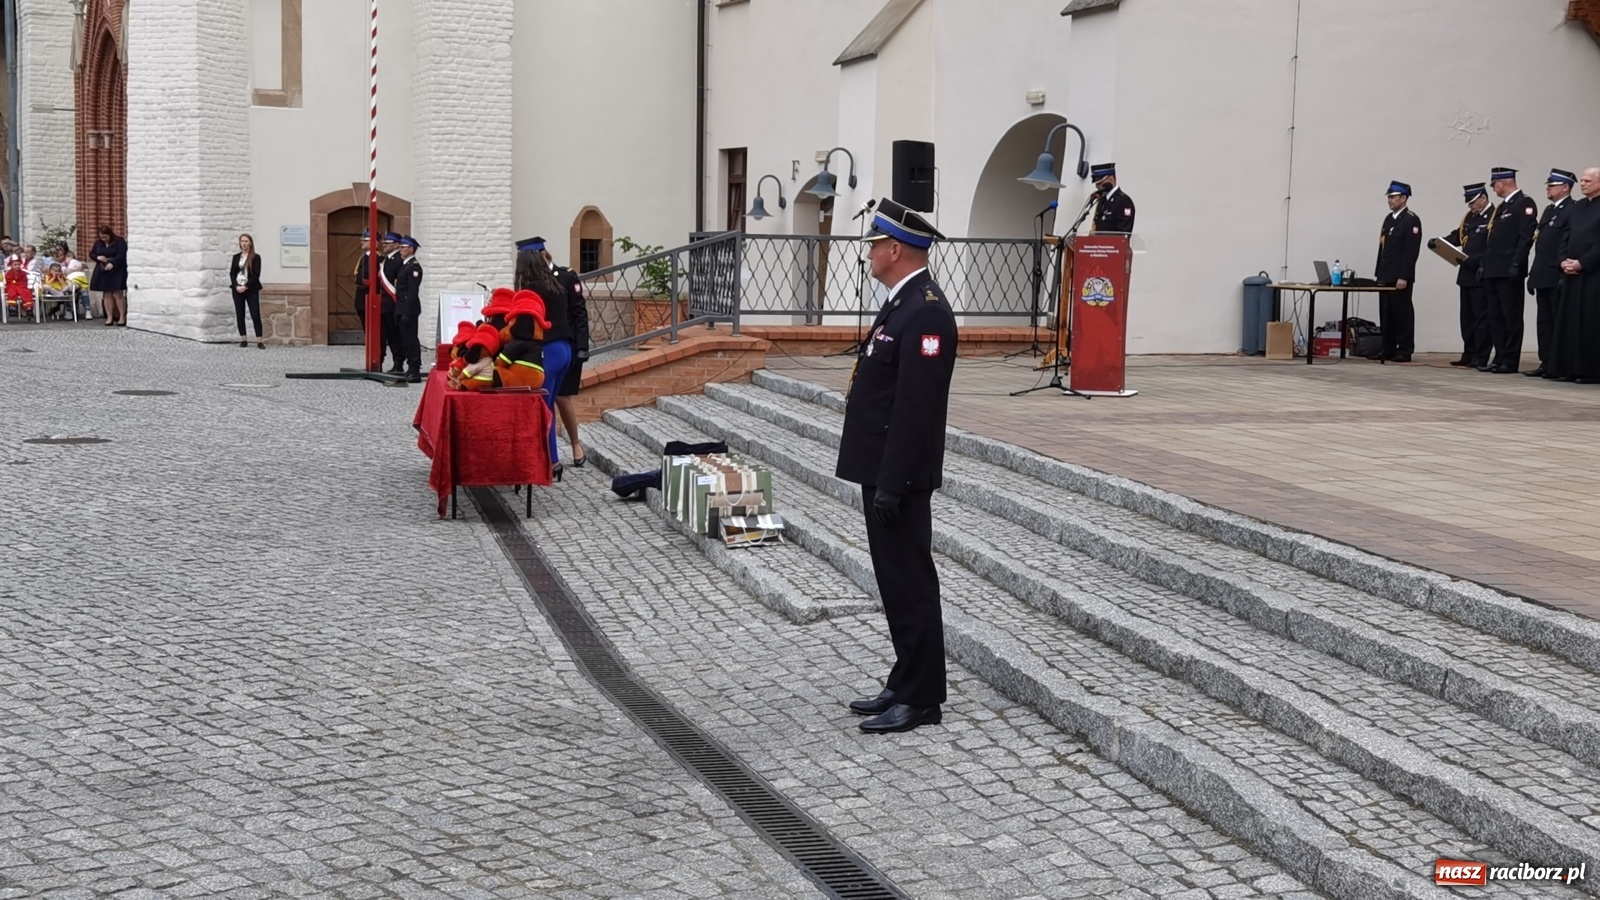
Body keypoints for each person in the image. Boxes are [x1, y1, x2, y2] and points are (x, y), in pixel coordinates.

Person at [834, 198, 958, 735]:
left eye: (873, 245)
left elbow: (915, 407)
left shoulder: (925, 310)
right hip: (883, 468)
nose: (868, 254)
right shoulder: (900, 302)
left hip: (899, 475)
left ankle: (923, 696)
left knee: (910, 581)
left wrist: (893, 482)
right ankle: (905, 676)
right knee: (894, 580)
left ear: (895, 249)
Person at [514, 237, 574, 474]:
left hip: (549, 351)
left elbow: (525, 328)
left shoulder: (532, 289)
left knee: (542, 408)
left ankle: (550, 462)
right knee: (548, 406)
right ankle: (551, 460)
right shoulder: (555, 284)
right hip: (564, 350)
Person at [1479, 167, 1538, 373]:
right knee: (1495, 316)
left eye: (1494, 185)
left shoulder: (1524, 204)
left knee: (1510, 316)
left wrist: (1517, 263)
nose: (1494, 190)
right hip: (1493, 270)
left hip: (1509, 270)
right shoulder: (1503, 207)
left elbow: (1525, 238)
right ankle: (1499, 357)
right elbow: (1492, 240)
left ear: (1502, 183)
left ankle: (1510, 360)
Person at [540, 240, 592, 467]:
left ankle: (575, 443)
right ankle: (551, 455)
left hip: (568, 345)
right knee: (550, 397)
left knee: (562, 396)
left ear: (544, 257)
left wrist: (582, 347)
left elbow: (580, 313)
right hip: (545, 347)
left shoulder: (566, 277)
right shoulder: (534, 281)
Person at [1550, 168, 1600, 383]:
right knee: (1570, 322)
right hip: (1571, 271)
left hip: (1593, 273)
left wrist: (1582, 263)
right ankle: (1569, 367)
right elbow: (1566, 235)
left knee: (1589, 322)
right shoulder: (1578, 206)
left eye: (1587, 180)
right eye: (1581, 180)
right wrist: (1563, 260)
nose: (1582, 184)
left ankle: (1590, 370)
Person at [1525, 169, 1576, 378]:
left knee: (1558, 322)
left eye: (1552, 185)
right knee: (1544, 322)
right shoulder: (1548, 210)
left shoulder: (1572, 210)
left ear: (1565, 187)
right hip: (1542, 275)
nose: (1548, 188)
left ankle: (1560, 364)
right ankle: (1546, 362)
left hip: (1556, 275)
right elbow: (1541, 244)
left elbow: (1566, 244)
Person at [1440, 184, 1494, 368]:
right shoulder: (1470, 218)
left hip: (1480, 273)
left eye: (1473, 202)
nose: (1471, 207)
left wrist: (1475, 260)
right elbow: (1459, 235)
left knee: (1481, 318)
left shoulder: (1493, 216)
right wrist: (1441, 242)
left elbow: (1493, 246)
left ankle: (1481, 355)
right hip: (1465, 274)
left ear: (1483, 198)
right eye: (1469, 204)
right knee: (1467, 317)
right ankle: (1469, 352)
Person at [1374, 180, 1423, 362]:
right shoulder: (1389, 219)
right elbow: (1383, 248)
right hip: (1386, 274)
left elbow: (1411, 251)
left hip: (1400, 276)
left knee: (1401, 313)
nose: (1390, 201)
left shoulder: (1410, 219)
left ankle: (1404, 349)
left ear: (1404, 198)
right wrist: (1379, 273)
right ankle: (1387, 348)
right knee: (1386, 314)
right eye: (1389, 197)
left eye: (1393, 197)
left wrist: (1404, 276)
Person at [393, 236, 424, 383]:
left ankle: (414, 369)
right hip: (402, 308)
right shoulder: (406, 265)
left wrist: (406, 311)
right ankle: (410, 368)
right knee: (405, 340)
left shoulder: (414, 267)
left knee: (411, 340)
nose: (400, 250)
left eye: (402, 248)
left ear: (411, 249)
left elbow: (412, 292)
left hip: (408, 309)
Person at [230, 233, 265, 349]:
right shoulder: (236, 257)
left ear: (250, 243)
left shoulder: (256, 257)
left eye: (246, 241)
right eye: (242, 241)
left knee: (255, 314)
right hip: (237, 289)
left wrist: (246, 286)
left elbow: (256, 275)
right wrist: (236, 286)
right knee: (240, 314)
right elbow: (232, 273)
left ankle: (259, 340)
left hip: (251, 289)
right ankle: (243, 339)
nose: (244, 243)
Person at [89, 225, 129, 326]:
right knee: (107, 293)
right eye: (102, 237)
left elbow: (122, 254)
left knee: (118, 293)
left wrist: (113, 262)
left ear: (110, 235)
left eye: (106, 237)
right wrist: (98, 257)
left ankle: (122, 317)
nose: (104, 239)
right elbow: (92, 254)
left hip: (117, 270)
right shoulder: (99, 243)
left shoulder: (119, 241)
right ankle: (109, 317)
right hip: (104, 270)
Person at [379, 232, 405, 375]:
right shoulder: (386, 260)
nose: (385, 245)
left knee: (395, 336)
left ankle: (399, 362)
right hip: (385, 304)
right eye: (384, 243)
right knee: (388, 335)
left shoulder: (398, 260)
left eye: (388, 243)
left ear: (396, 245)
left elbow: (398, 284)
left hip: (393, 303)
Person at [1089, 162, 1135, 234]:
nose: (1097, 187)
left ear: (1111, 179)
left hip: (1112, 244)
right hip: (1098, 244)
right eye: (1096, 184)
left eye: (1100, 183)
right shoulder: (1102, 200)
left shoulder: (1124, 201)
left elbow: (1123, 233)